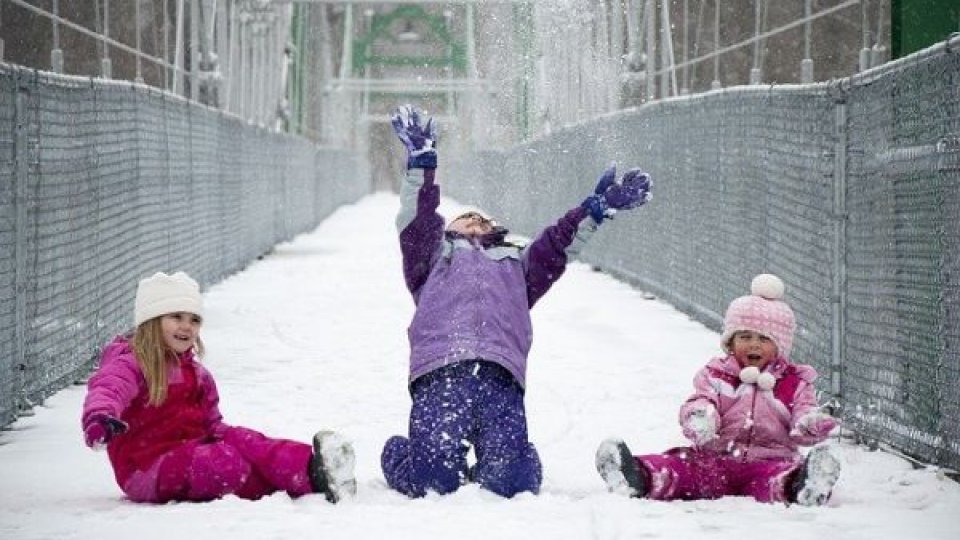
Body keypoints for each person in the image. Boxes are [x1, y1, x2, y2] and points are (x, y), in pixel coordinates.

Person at [381, 104, 653, 498]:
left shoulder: (517, 266)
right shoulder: (431, 258)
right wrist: (422, 162)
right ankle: (400, 454)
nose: (476, 222)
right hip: (441, 373)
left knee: (513, 484)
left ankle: (513, 459)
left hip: (500, 375)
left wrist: (593, 211)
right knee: (433, 482)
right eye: (466, 218)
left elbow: (558, 245)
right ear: (449, 230)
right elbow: (418, 216)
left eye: (484, 221)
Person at [81, 271, 357, 503]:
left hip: (191, 451)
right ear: (152, 320)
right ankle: (288, 481)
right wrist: (99, 419)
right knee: (226, 462)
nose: (187, 326)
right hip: (146, 468)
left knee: (247, 443)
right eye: (176, 316)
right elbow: (108, 388)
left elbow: (212, 424)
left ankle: (312, 470)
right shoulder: (131, 362)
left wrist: (243, 441)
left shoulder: (198, 375)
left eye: (194, 319)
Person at [595, 273, 842, 506]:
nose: (753, 344)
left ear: (779, 347)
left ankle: (802, 486)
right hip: (714, 460)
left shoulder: (794, 382)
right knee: (679, 469)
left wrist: (812, 423)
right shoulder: (716, 375)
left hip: (769, 461)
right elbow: (701, 400)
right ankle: (637, 475)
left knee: (775, 481)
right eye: (744, 337)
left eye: (764, 339)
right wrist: (701, 417)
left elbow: (802, 415)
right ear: (730, 342)